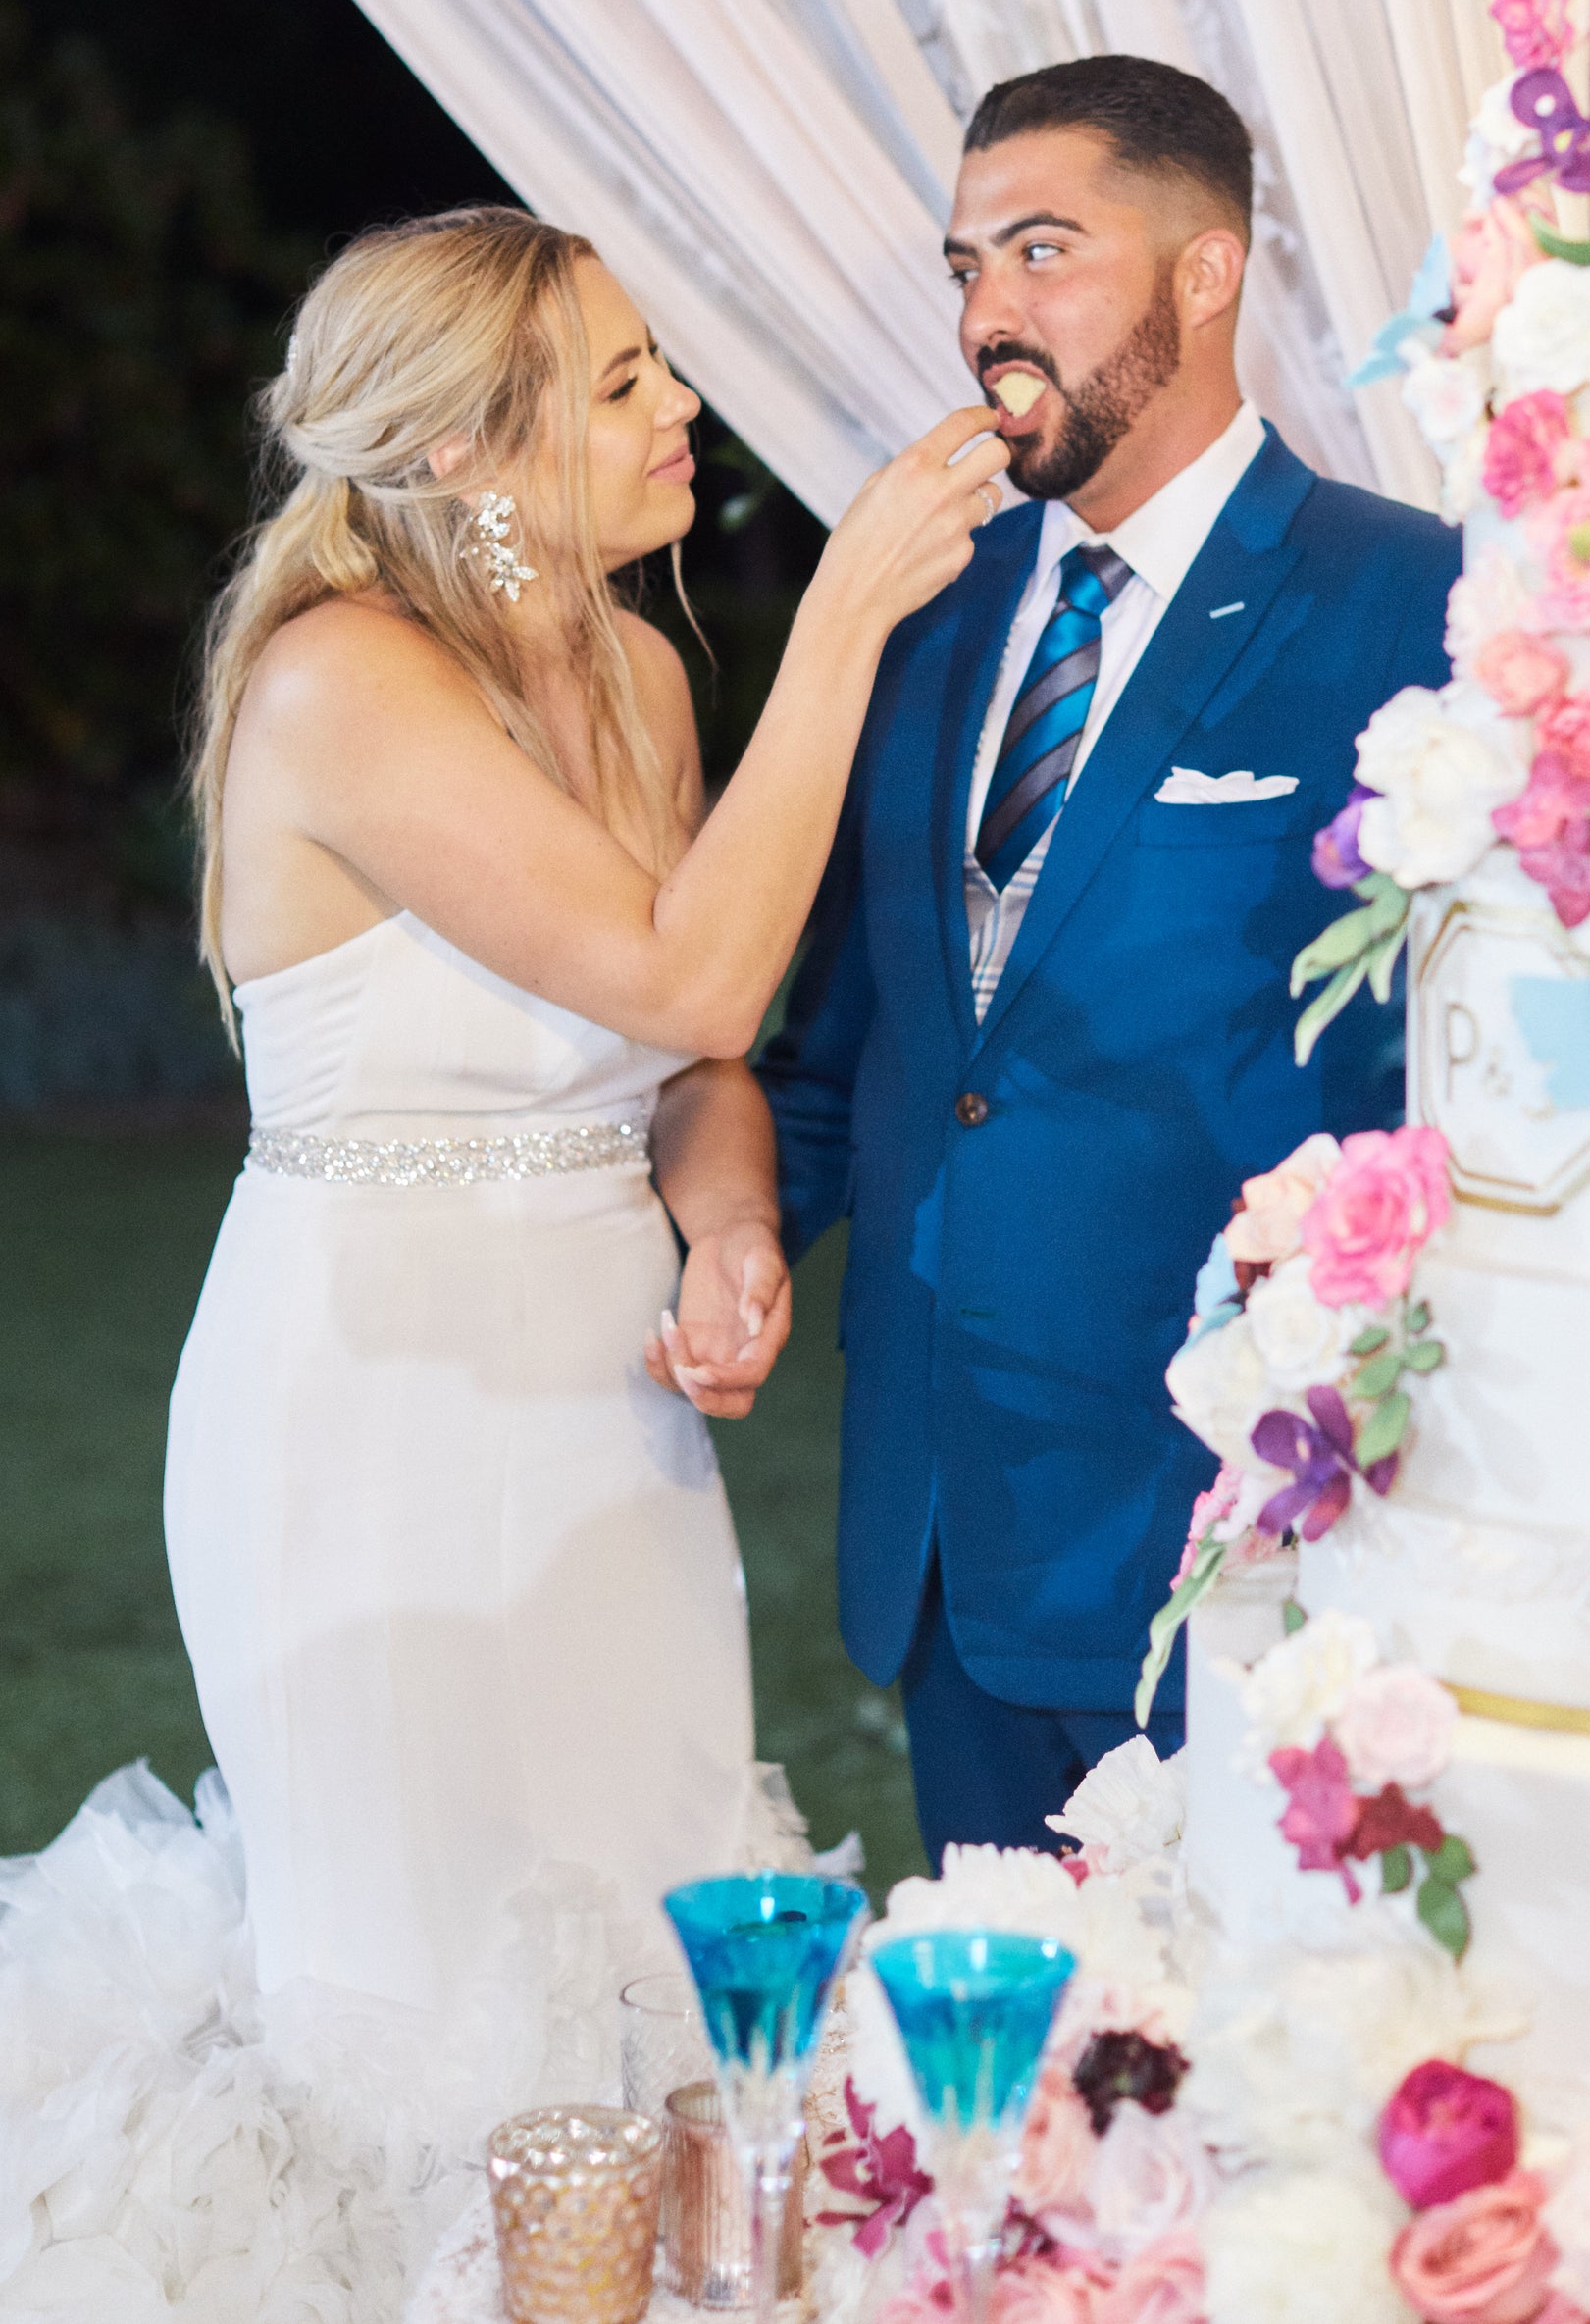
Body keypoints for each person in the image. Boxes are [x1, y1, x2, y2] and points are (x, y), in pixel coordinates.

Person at [0, 207, 1002, 2312]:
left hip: (604, 1428)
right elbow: (690, 958)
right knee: (419, 2000)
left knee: (641, 1937)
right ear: (464, 450)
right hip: (372, 1420)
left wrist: (731, 1221)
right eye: (623, 383)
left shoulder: (635, 672)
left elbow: (693, 1054)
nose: (681, 406)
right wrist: (843, 615)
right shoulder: (342, 682)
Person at [759, 57, 1460, 1869]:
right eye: (966, 265)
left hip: (1229, 1524)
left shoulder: (1414, 604)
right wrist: (720, 1237)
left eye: (1042, 251)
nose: (987, 313)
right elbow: (851, 1045)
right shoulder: (923, 609)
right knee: (996, 2042)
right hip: (943, 1525)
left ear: (1204, 273)